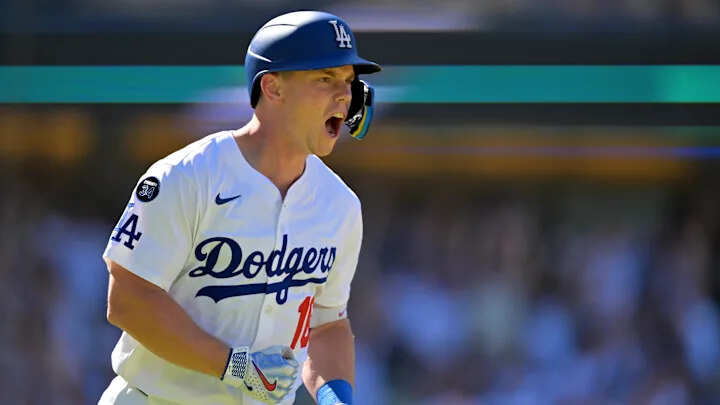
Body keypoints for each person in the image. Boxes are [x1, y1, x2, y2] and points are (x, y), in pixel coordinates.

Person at [98, 10, 380, 405]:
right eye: (325, 78)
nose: (345, 96)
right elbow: (128, 300)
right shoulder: (188, 176)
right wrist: (233, 365)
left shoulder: (340, 205)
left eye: (348, 81)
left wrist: (335, 398)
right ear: (273, 87)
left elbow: (326, 325)